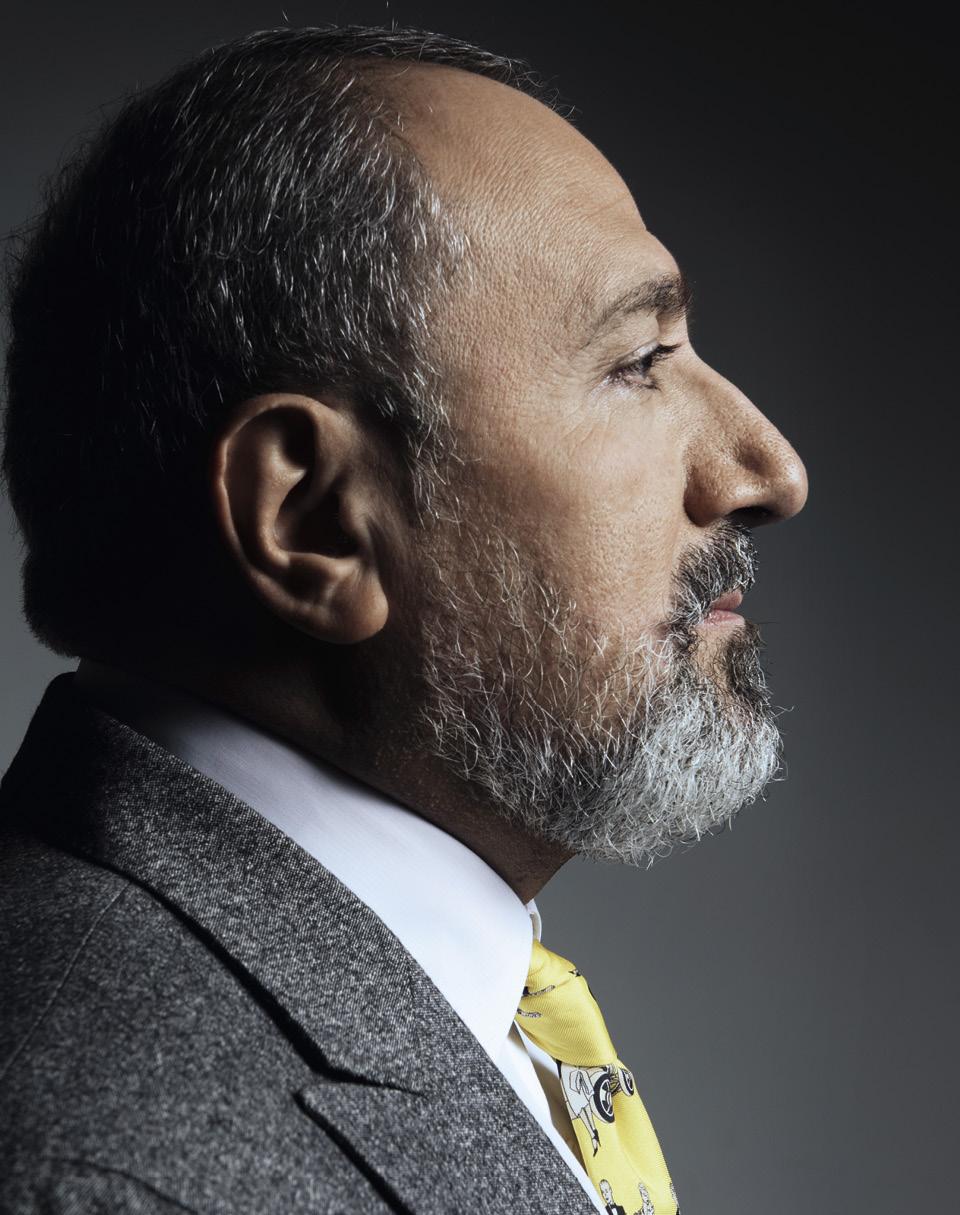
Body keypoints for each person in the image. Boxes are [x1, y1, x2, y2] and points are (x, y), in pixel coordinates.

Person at [0, 22, 807, 1215]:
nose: (770, 472)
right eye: (639, 361)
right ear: (316, 516)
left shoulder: (414, 1005)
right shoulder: (106, 1171)